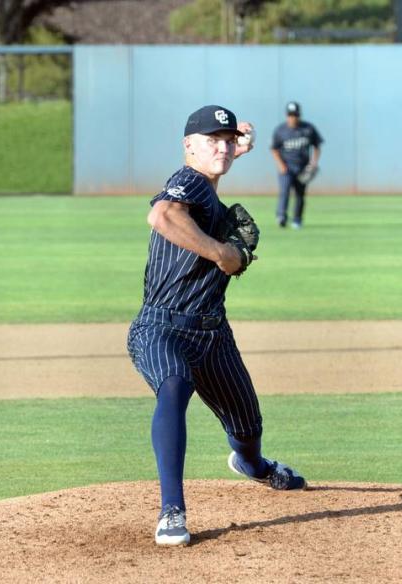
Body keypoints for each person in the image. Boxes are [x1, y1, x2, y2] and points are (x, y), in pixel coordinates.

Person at [127, 105, 307, 548]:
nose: (222, 147)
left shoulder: (206, 188)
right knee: (174, 385)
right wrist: (219, 253)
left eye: (227, 140)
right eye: (212, 140)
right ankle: (172, 510)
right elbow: (163, 216)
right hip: (160, 327)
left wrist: (233, 148)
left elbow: (214, 165)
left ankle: (254, 465)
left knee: (247, 429)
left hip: (213, 335)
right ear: (188, 146)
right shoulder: (188, 181)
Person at [271, 101, 323, 229]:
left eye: (295, 114)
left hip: (303, 168)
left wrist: (314, 163)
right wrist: (280, 165)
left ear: (299, 115)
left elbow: (317, 145)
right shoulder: (280, 130)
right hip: (286, 167)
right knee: (285, 191)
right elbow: (274, 148)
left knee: (300, 194)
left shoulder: (308, 129)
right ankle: (281, 216)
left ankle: (297, 219)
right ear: (287, 115)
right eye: (290, 115)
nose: (293, 117)